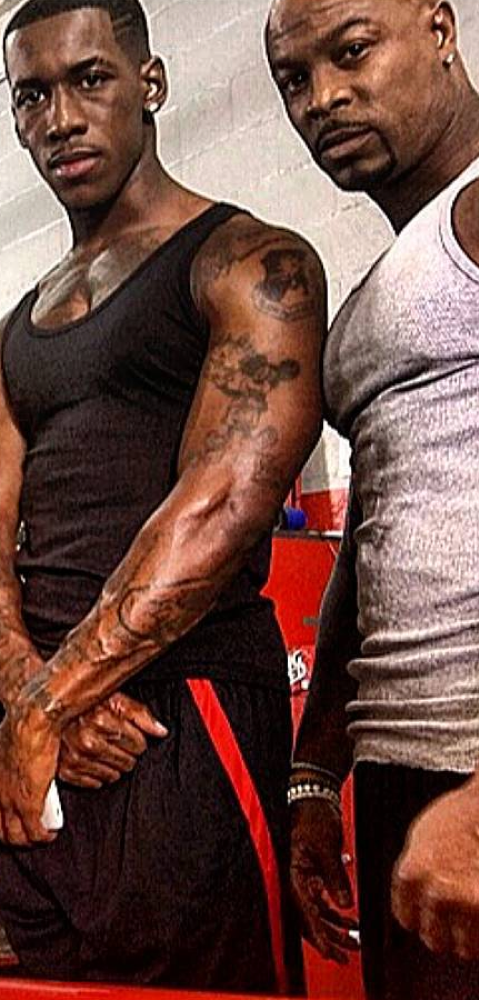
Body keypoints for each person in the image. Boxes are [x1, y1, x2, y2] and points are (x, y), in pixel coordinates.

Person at [0, 1, 325, 992]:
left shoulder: (250, 262)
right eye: (32, 96)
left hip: (180, 716)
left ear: (149, 84)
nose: (61, 117)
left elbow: (222, 508)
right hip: (47, 741)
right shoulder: (8, 338)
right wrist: (34, 701)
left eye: (90, 80)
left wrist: (45, 706)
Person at [266, 1, 479, 995]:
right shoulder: (387, 283)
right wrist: (317, 771)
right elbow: (373, 535)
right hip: (408, 778)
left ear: (439, 27)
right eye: (293, 79)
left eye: (352, 52)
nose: (323, 98)